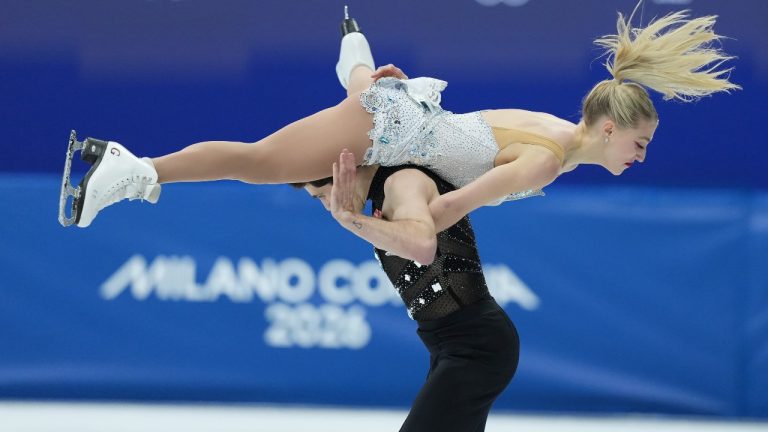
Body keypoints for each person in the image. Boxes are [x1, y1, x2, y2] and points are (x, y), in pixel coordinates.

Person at [62, 4, 739, 229]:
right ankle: (125, 167)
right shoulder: (548, 159)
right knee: (259, 162)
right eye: (641, 143)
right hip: (393, 130)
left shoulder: (557, 127)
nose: (641, 157)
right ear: (611, 127)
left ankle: (354, 41)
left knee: (359, 80)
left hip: (402, 118)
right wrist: (370, 220)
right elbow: (446, 211)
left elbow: (452, 166)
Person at [298, 147, 519, 432]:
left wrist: (350, 219)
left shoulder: (402, 181)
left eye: (322, 195)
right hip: (453, 344)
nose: (328, 205)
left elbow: (423, 246)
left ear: (344, 171)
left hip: (475, 346)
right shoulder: (383, 192)